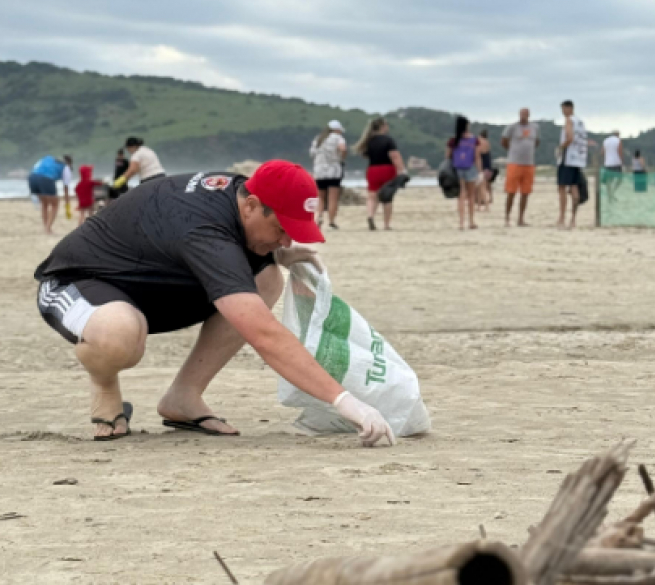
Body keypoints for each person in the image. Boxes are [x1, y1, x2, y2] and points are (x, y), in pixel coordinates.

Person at [35, 160, 395, 447]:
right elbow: (264, 335)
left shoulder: (239, 195)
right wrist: (346, 403)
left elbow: (229, 245)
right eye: (282, 229)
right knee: (119, 336)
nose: (286, 239)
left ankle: (183, 398)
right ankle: (105, 384)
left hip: (154, 289)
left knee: (266, 276)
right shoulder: (203, 228)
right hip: (79, 284)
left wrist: (277, 253)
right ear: (251, 206)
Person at [354, 117, 406, 231]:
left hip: (372, 170)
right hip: (387, 169)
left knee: (372, 196)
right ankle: (386, 224)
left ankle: (370, 216)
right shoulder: (388, 140)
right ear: (382, 126)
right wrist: (402, 169)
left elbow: (366, 155)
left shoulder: (368, 141)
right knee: (387, 197)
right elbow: (394, 156)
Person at [501, 109, 540, 227]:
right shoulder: (512, 127)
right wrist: (512, 150)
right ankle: (507, 217)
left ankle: (521, 218)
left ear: (529, 115)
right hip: (514, 163)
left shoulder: (535, 127)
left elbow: (537, 142)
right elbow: (504, 141)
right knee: (511, 191)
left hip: (529, 164)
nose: (523, 116)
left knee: (525, 192)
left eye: (526, 114)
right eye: (522, 114)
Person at [446, 115, 483, 230]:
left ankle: (461, 222)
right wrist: (480, 171)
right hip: (470, 168)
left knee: (461, 195)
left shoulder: (453, 140)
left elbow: (448, 156)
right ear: (466, 125)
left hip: (458, 168)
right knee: (471, 195)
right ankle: (471, 221)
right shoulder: (474, 140)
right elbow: (477, 157)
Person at [309, 120, 346, 229]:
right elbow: (343, 148)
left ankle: (319, 217)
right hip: (334, 171)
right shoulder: (338, 138)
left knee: (320, 197)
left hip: (319, 171)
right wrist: (341, 158)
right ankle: (331, 221)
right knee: (333, 197)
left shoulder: (318, 139)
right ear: (337, 129)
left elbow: (312, 154)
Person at [557, 100, 588, 230]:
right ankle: (573, 219)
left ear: (568, 108)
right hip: (578, 159)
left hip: (568, 157)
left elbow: (569, 138)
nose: (563, 112)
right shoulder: (580, 122)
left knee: (562, 188)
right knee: (574, 187)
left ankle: (562, 217)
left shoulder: (569, 120)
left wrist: (560, 147)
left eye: (563, 109)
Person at [29, 154, 73, 235]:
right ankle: (48, 229)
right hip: (46, 179)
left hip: (32, 178)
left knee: (44, 204)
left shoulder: (47, 158)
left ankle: (45, 227)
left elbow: (35, 167)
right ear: (69, 163)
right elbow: (66, 189)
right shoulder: (66, 167)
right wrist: (67, 207)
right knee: (55, 204)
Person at [601, 130, 625, 203]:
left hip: (608, 164)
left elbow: (602, 152)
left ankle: (609, 198)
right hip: (617, 163)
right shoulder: (618, 140)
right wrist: (622, 162)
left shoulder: (605, 141)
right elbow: (620, 152)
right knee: (620, 180)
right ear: (617, 134)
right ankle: (613, 192)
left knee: (609, 181)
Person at [477, 129, 494, 209]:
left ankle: (485, 206)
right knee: (483, 186)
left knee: (482, 187)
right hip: (488, 168)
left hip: (483, 168)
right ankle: (480, 205)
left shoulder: (481, 143)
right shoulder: (487, 143)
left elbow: (480, 153)